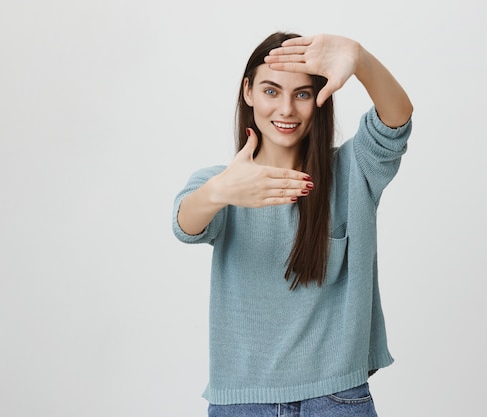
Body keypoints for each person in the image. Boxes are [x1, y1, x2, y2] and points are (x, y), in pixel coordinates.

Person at [172, 31, 413, 416]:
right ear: (248, 91)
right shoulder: (222, 183)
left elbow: (396, 120)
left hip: (336, 397)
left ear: (319, 100)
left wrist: (360, 58)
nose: (286, 109)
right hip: (242, 403)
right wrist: (220, 192)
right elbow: (185, 223)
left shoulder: (351, 171)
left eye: (302, 94)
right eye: (271, 91)